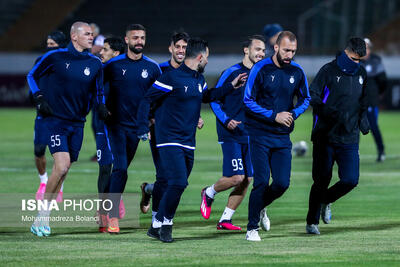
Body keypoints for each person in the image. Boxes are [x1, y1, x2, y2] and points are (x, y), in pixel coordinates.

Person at [136, 38, 247, 242]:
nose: (208, 62)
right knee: (178, 182)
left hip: (188, 140)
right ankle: (166, 226)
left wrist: (232, 86)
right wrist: (143, 126)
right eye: (207, 58)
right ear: (200, 57)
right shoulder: (171, 77)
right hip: (168, 139)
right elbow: (146, 99)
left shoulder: (198, 80)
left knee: (178, 184)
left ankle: (156, 225)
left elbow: (206, 96)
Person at [27, 21, 104, 237]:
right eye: (87, 34)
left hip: (77, 123)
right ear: (74, 37)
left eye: (92, 34)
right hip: (56, 121)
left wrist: (101, 105)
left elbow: (98, 92)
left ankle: (46, 214)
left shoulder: (95, 63)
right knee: (61, 166)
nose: (92, 37)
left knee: (66, 169)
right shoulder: (55, 57)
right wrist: (39, 96)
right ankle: (41, 216)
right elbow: (31, 75)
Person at [244, 31, 310, 241]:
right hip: (259, 135)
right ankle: (251, 229)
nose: (290, 54)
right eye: (286, 50)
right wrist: (274, 116)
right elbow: (247, 100)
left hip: (282, 138)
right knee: (261, 182)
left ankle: (261, 207)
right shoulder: (260, 68)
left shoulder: (297, 71)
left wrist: (293, 114)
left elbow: (306, 99)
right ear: (276, 48)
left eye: (293, 51)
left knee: (282, 183)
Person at [200, 35, 268, 231]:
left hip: (251, 133)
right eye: (257, 49)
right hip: (230, 131)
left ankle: (225, 219)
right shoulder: (231, 72)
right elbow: (214, 99)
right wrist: (226, 120)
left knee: (248, 178)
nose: (261, 53)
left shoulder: (261, 74)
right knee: (237, 177)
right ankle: (209, 192)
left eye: (263, 50)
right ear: (246, 50)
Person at [305, 37, 370, 235]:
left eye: (360, 60)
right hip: (325, 136)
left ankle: (326, 200)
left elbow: (362, 101)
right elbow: (312, 96)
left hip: (349, 137)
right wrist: (329, 111)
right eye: (353, 59)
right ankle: (311, 222)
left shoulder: (361, 73)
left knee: (351, 180)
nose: (356, 63)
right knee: (321, 179)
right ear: (346, 52)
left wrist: (363, 119)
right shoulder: (328, 70)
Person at [101, 24, 161, 234]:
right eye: (135, 37)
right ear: (126, 40)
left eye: (142, 37)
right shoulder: (113, 65)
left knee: (121, 169)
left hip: (137, 129)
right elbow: (97, 86)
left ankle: (103, 208)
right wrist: (101, 106)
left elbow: (160, 96)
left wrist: (152, 117)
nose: (139, 41)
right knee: (121, 168)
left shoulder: (153, 68)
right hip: (115, 125)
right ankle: (113, 216)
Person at [139, 31, 194, 220]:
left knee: (178, 179)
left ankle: (149, 189)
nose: (180, 51)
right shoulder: (159, 71)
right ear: (170, 48)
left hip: (182, 133)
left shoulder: (191, 73)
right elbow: (147, 98)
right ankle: (157, 219)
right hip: (160, 131)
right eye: (177, 47)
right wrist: (149, 120)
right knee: (164, 175)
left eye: (184, 48)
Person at [95, 36, 125, 232]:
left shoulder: (120, 73)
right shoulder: (101, 70)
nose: (101, 52)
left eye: (105, 49)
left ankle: (111, 206)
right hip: (102, 126)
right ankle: (103, 211)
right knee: (105, 167)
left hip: (120, 126)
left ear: (116, 53)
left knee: (118, 169)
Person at [33, 31, 67, 202]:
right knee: (39, 151)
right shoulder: (40, 61)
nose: (49, 47)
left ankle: (59, 187)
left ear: (61, 45)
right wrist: (37, 98)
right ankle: (43, 181)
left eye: (52, 44)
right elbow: (33, 80)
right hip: (43, 115)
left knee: (60, 154)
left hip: (62, 116)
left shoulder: (66, 62)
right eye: (48, 44)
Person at [360, 38, 386, 162]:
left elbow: (383, 81)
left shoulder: (376, 61)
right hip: (356, 102)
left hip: (371, 101)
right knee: (352, 128)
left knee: (373, 127)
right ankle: (353, 153)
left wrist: (378, 94)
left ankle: (381, 151)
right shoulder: (354, 62)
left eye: (367, 47)